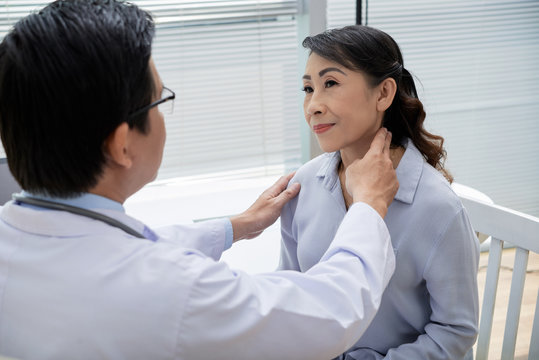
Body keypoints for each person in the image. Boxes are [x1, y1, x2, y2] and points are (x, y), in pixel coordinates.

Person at [0, 2, 400, 359]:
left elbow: (111, 252)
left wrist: (236, 226)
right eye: (161, 100)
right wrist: (368, 206)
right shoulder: (174, 290)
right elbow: (327, 316)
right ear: (122, 145)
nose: (314, 105)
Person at [278, 25, 479, 360]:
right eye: (307, 88)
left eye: (330, 83)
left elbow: (456, 331)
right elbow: (289, 294)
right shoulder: (302, 186)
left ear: (384, 94)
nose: (312, 105)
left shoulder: (438, 207)